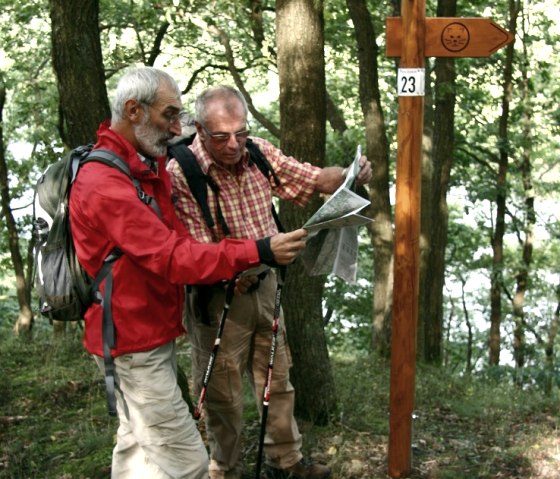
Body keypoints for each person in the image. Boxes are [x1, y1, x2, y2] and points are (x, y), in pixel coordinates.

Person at [69, 68, 308, 479]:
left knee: (137, 452)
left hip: (150, 331)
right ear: (133, 110)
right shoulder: (104, 182)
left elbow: (184, 244)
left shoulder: (144, 166)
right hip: (131, 342)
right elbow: (173, 256)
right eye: (169, 115)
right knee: (188, 463)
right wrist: (258, 250)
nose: (177, 128)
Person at [167, 85, 372, 479]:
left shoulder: (257, 152)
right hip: (217, 298)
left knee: (277, 379)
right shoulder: (181, 173)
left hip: (265, 285)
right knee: (223, 394)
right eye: (222, 137)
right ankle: (224, 470)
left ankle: (287, 463)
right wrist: (248, 260)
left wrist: (350, 175)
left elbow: (312, 179)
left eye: (240, 133)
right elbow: (193, 250)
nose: (233, 145)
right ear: (201, 131)